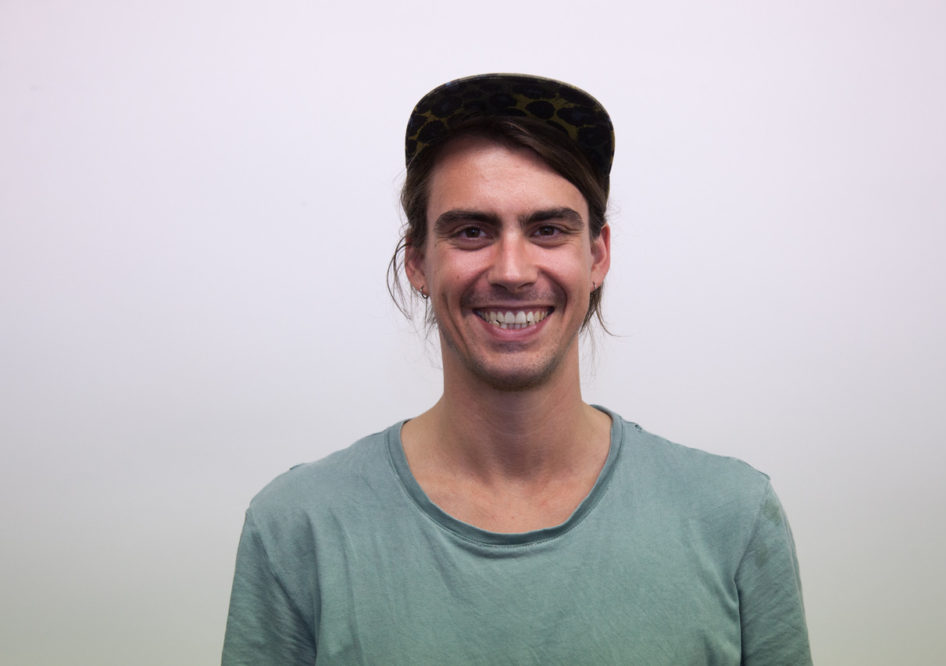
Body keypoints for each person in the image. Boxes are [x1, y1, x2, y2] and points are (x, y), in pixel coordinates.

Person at [222, 73, 812, 665]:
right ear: (418, 261)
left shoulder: (732, 516)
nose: (512, 270)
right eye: (471, 231)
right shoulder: (297, 528)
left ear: (597, 255)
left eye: (548, 230)